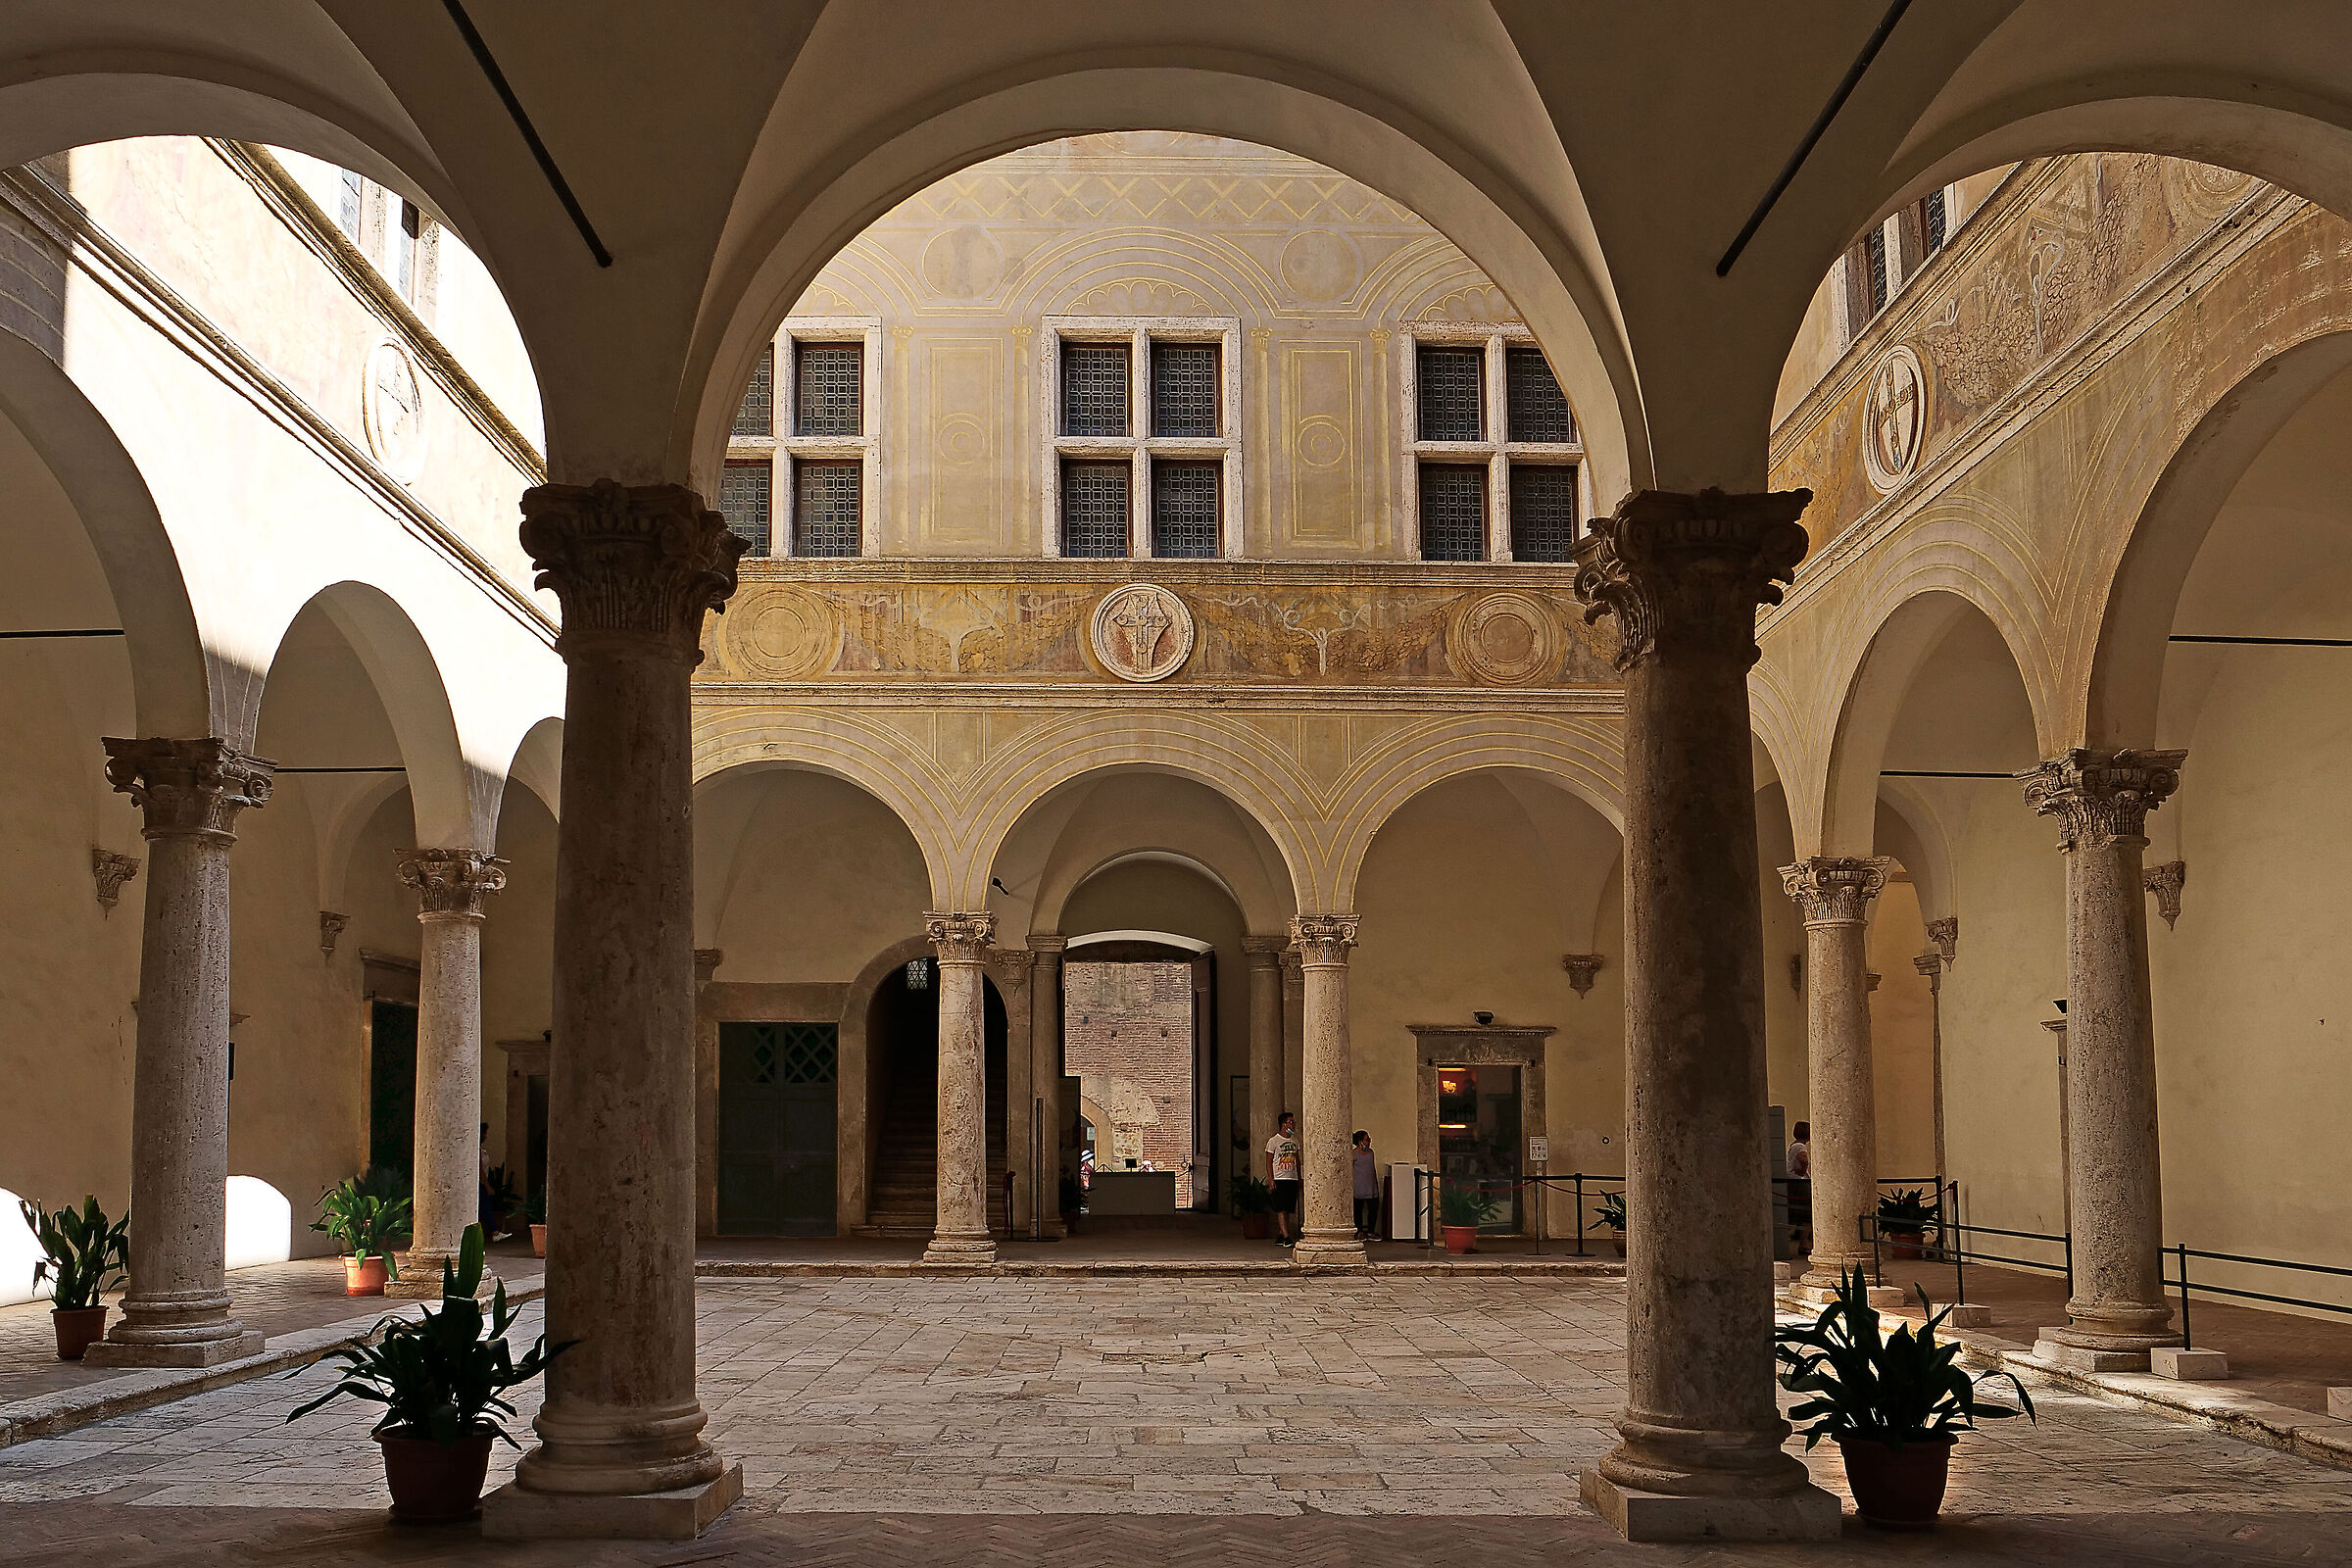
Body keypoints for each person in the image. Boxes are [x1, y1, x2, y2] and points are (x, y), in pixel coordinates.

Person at [1265, 1110, 1301, 1247]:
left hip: (1291, 1177)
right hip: (1280, 1177)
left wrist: (1299, 1177)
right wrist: (1271, 1179)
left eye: (1293, 1122)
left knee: (1288, 1208)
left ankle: (1281, 1234)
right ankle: (1286, 1236)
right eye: (1291, 1122)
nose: (1293, 1125)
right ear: (1283, 1124)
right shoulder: (1274, 1141)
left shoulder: (1295, 1140)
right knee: (1281, 1208)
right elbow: (1269, 1161)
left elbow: (1297, 1160)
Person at [1786, 1120, 1813, 1257]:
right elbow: (1803, 1159)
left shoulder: (1793, 1145)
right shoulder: (1801, 1146)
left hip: (1791, 1181)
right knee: (1807, 1214)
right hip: (1800, 1183)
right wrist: (1803, 1170)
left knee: (1796, 1213)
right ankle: (1804, 1242)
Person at [1351, 1130, 1380, 1240]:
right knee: (1358, 1210)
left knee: (1373, 1209)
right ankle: (1359, 1231)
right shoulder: (1354, 1154)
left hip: (1370, 1185)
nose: (1369, 1142)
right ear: (1360, 1141)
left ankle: (1371, 1231)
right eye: (1367, 1140)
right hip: (1358, 1186)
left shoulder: (1371, 1153)